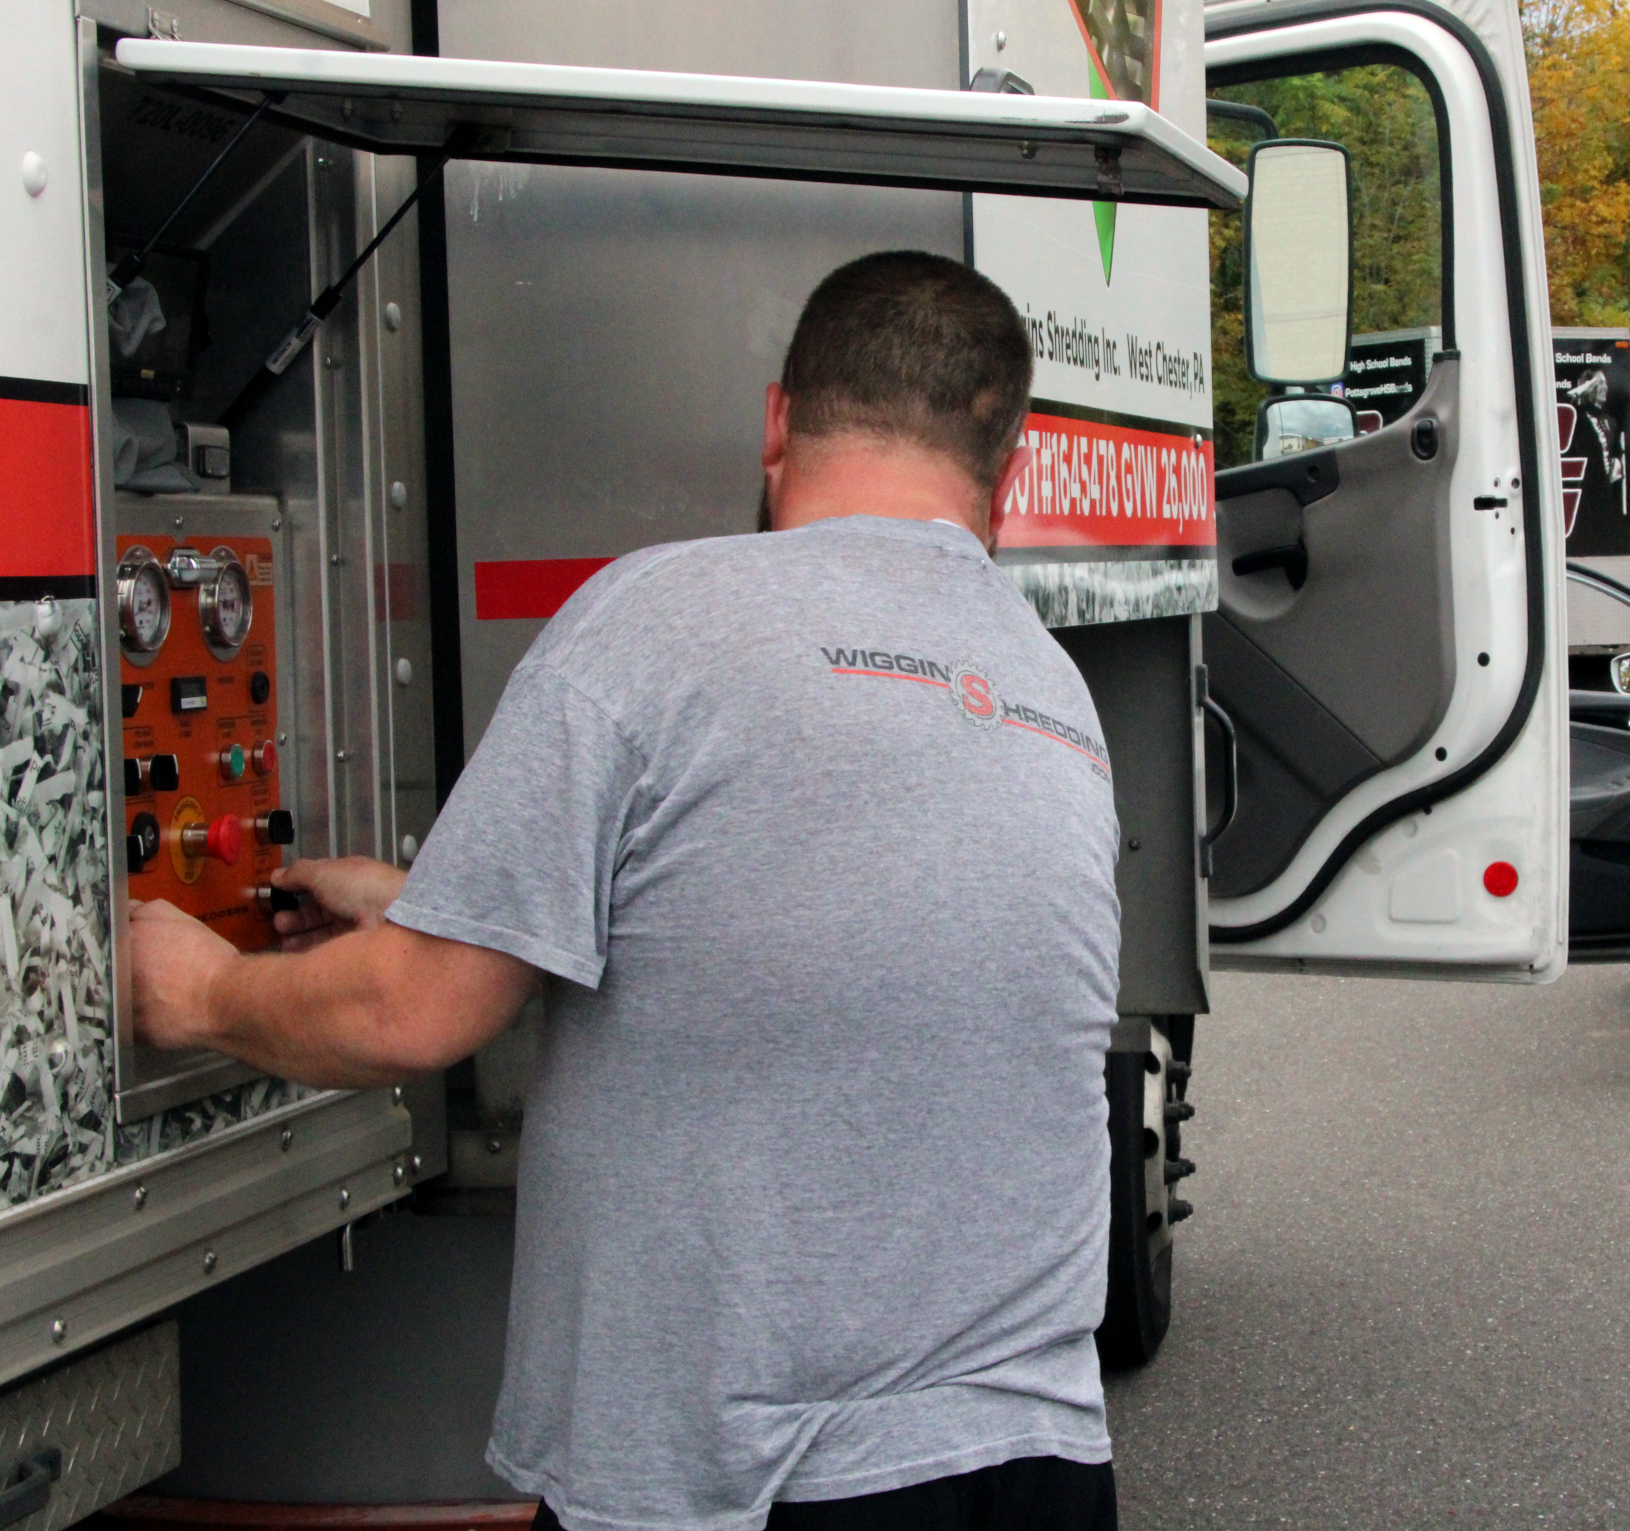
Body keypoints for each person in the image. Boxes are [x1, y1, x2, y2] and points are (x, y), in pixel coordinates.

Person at [130, 251, 1125, 1531]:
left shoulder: (655, 620)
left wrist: (201, 988)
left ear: (777, 420)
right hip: (1030, 1467)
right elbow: (818, 950)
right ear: (1017, 464)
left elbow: (410, 1018)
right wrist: (465, 906)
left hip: (744, 1489)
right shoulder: (1050, 687)